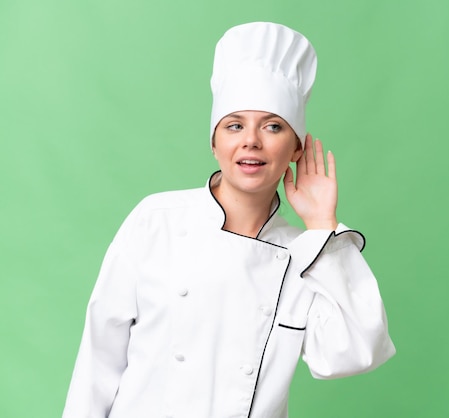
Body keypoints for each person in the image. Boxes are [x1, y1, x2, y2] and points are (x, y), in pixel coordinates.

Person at [63, 22, 395, 418]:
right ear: (215, 141)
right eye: (234, 125)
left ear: (296, 148)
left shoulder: (302, 255)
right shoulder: (156, 221)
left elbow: (353, 353)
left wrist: (323, 225)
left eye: (273, 126)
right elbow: (99, 359)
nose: (251, 140)